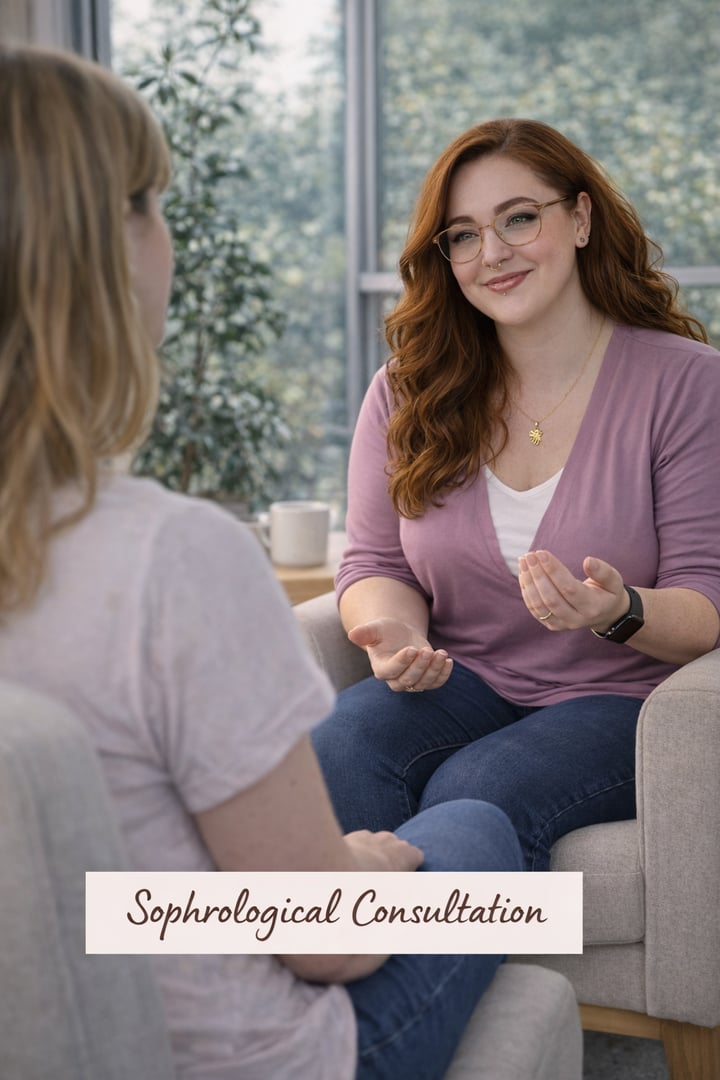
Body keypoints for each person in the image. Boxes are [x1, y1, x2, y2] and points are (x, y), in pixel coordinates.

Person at [0, 45, 528, 1080]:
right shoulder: (173, 558)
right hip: (251, 1055)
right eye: (150, 201)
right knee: (474, 822)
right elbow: (327, 946)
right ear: (101, 253)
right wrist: (360, 869)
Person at [311, 117, 720, 871]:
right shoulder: (408, 389)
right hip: (463, 680)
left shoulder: (687, 383)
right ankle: (364, 941)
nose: (492, 253)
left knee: (476, 787)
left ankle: (403, 950)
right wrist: (399, 635)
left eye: (519, 219)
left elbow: (705, 606)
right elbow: (375, 562)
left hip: (620, 700)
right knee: (336, 746)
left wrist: (618, 611)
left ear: (581, 218)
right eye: (464, 235)